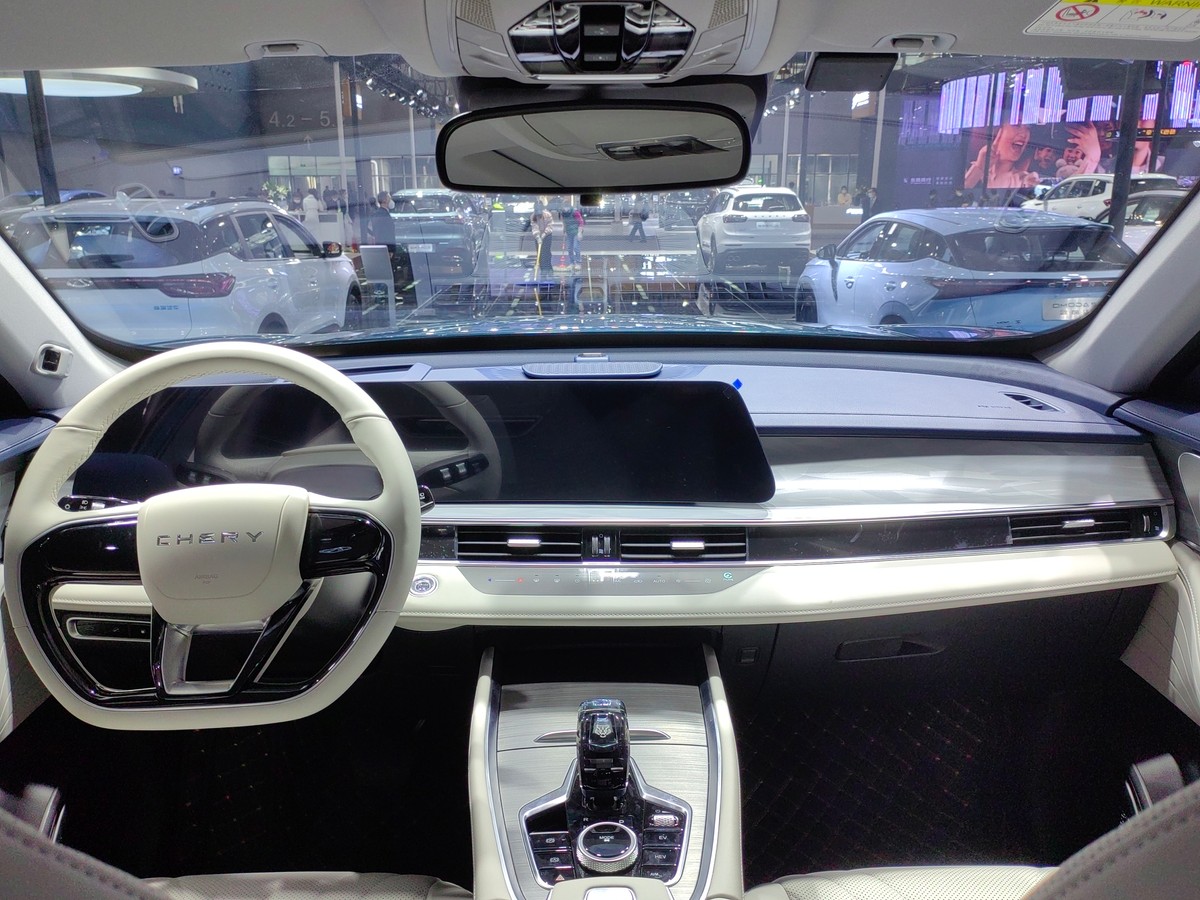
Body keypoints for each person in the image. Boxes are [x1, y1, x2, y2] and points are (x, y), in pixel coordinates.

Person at [964, 123, 1040, 190]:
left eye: (1028, 128)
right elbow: (959, 196)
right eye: (1016, 125)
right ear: (998, 131)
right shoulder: (966, 169)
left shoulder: (1022, 180)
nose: (1024, 134)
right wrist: (979, 168)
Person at [530, 200, 554, 277]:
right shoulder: (533, 216)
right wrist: (538, 237)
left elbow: (550, 226)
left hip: (547, 235)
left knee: (546, 253)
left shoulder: (547, 215)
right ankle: (543, 270)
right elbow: (534, 227)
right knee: (540, 254)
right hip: (538, 236)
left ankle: (549, 269)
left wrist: (544, 234)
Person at [562, 202, 584, 267]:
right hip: (569, 232)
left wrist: (580, 233)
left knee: (576, 247)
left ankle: (578, 263)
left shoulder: (575, 212)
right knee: (569, 248)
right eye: (564, 208)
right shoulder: (563, 213)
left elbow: (581, 222)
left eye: (566, 208)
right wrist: (564, 230)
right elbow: (564, 222)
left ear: (569, 207)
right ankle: (572, 263)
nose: (565, 209)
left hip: (576, 232)